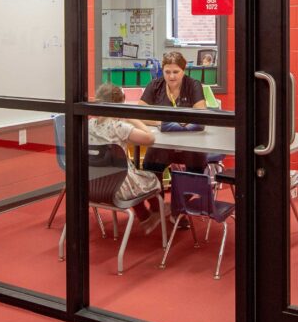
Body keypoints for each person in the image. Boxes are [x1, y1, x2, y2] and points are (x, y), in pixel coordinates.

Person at [88, 83, 162, 234]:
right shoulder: (119, 127)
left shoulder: (88, 125)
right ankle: (156, 212)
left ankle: (145, 216)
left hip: (92, 186)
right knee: (149, 179)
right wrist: (131, 117)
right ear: (118, 106)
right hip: (118, 189)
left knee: (132, 179)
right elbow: (150, 138)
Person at [138, 51, 208, 174]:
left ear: (183, 70)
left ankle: (191, 192)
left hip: (190, 143)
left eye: (176, 72)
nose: (171, 77)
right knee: (149, 166)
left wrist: (183, 121)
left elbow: (201, 115)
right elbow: (140, 114)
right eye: (167, 72)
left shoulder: (193, 85)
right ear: (162, 71)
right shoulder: (155, 85)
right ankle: (155, 192)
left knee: (196, 167)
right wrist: (161, 122)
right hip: (163, 143)